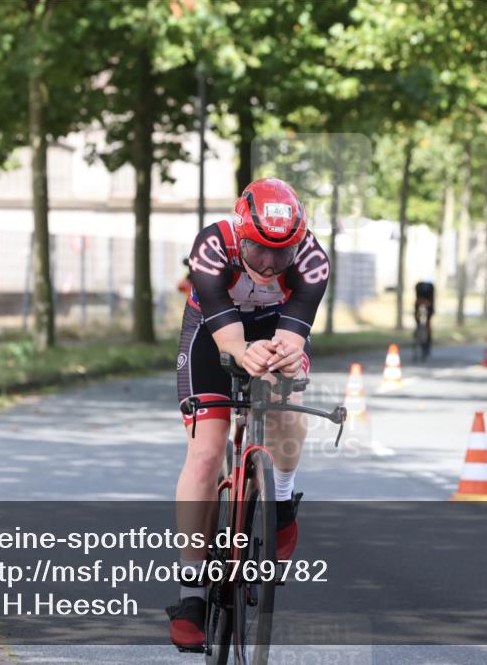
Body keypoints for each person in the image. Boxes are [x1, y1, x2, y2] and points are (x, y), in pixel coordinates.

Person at [167, 178, 329, 650]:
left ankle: (279, 503)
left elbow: (294, 338)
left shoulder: (313, 259)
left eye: (283, 253)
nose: (270, 263)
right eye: (260, 249)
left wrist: (279, 355)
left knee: (286, 399)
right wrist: (241, 352)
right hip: (213, 332)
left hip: (276, 328)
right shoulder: (213, 245)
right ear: (241, 232)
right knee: (206, 451)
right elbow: (230, 340)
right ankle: (192, 592)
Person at [414, 278, 435, 350]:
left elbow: (431, 302)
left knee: (428, 323)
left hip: (429, 307)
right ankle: (417, 333)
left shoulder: (430, 288)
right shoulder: (419, 287)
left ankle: (427, 341)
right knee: (418, 322)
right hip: (419, 307)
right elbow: (417, 301)